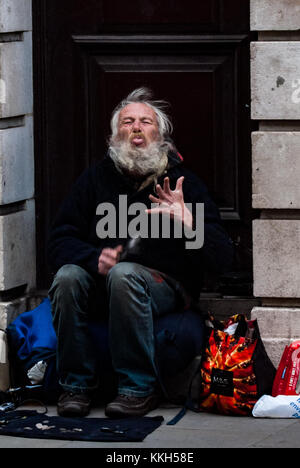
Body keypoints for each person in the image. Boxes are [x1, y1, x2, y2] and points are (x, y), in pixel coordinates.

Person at [47, 88, 234, 418]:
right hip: (103, 283)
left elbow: (222, 259)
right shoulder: (95, 179)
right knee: (66, 277)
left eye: (145, 122)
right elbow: (59, 240)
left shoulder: (183, 183)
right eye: (127, 121)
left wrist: (190, 222)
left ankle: (137, 389)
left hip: (165, 287)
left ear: (159, 135)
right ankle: (75, 387)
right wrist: (94, 258)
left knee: (125, 274)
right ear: (115, 134)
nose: (136, 127)